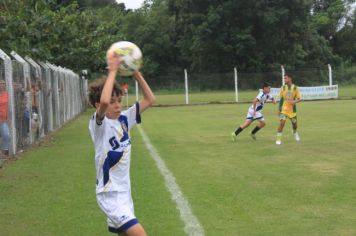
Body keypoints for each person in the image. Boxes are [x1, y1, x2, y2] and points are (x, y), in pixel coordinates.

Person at [88, 50, 155, 236]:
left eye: (119, 100)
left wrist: (136, 73)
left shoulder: (125, 119)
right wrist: (112, 71)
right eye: (112, 102)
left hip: (124, 193)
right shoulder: (98, 124)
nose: (118, 105)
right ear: (97, 106)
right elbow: (102, 102)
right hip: (109, 194)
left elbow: (150, 99)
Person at [276, 73, 302, 145]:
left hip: (292, 111)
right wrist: (279, 109)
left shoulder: (295, 88)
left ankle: (294, 132)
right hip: (283, 110)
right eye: (284, 78)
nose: (285, 79)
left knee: (295, 125)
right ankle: (278, 139)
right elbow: (281, 99)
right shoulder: (283, 88)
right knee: (282, 123)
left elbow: (299, 99)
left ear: (290, 79)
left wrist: (294, 101)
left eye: (286, 78)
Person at [0, 79, 10, 156]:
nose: (1, 85)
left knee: (6, 135)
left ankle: (5, 150)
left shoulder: (7, 94)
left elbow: (8, 106)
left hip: (4, 120)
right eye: (0, 83)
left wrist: (8, 116)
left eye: (3, 83)